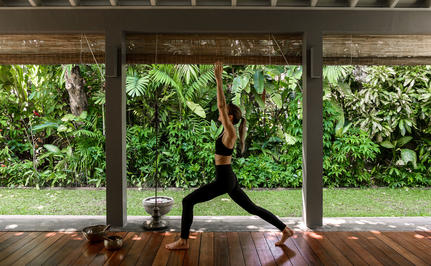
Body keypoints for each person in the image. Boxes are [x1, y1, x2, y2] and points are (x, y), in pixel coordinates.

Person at [165, 62, 294, 250]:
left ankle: (183, 241)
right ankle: (285, 229)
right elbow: (221, 107)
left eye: (224, 113)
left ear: (230, 117)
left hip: (224, 180)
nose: (220, 113)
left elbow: (221, 104)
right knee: (252, 208)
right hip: (228, 177)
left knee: (187, 201)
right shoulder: (228, 132)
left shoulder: (230, 132)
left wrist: (218, 80)